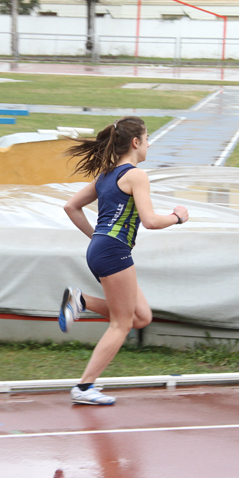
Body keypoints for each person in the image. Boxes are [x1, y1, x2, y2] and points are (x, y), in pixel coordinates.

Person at [58, 116, 188, 405]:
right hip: (113, 250)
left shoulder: (106, 175)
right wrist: (177, 217)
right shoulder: (136, 175)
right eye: (147, 137)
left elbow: (71, 206)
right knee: (121, 324)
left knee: (141, 317)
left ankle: (81, 302)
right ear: (135, 142)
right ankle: (84, 387)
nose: (150, 143)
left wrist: (97, 237)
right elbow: (151, 221)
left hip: (102, 249)